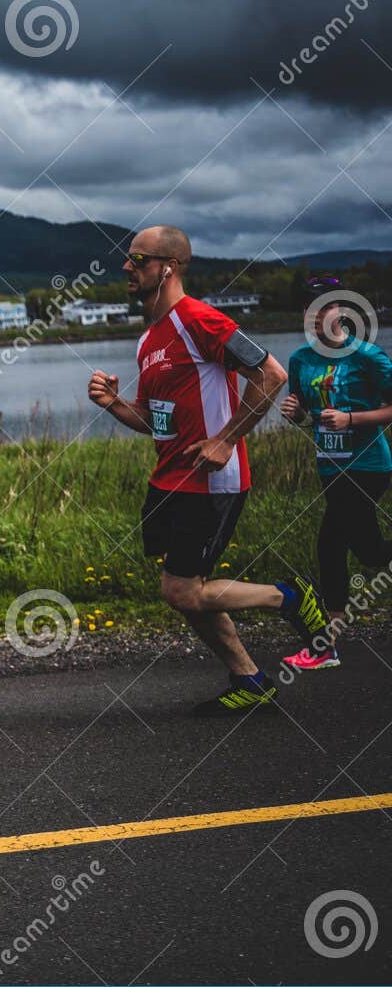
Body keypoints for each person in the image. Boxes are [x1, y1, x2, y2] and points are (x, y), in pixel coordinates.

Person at [86, 225, 329, 716]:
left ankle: (289, 597)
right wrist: (114, 405)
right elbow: (156, 423)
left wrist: (226, 439)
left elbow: (272, 375)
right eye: (128, 259)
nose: (126, 267)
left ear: (167, 267)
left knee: (182, 589)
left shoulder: (198, 319)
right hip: (168, 479)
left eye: (138, 259)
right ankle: (249, 678)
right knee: (187, 591)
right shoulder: (149, 339)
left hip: (209, 480)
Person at [277, 276, 392, 670]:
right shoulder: (301, 361)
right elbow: (309, 418)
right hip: (330, 465)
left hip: (368, 465)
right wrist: (296, 415)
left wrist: (352, 418)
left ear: (341, 311)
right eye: (309, 309)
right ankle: (327, 645)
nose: (314, 316)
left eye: (323, 307)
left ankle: (325, 646)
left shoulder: (368, 357)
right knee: (364, 550)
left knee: (333, 546)